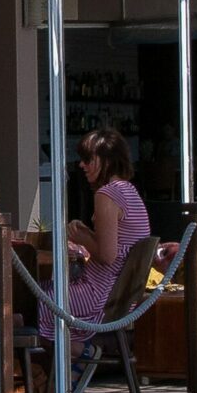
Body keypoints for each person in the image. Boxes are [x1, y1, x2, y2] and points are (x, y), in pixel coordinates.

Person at [55, 129, 148, 346]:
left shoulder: (107, 194)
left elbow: (108, 256)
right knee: (44, 296)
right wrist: (86, 234)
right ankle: (69, 360)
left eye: (88, 159)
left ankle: (72, 357)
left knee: (36, 303)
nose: (81, 165)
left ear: (106, 161)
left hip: (100, 296)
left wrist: (81, 237)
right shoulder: (129, 191)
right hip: (121, 296)